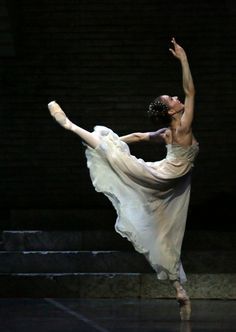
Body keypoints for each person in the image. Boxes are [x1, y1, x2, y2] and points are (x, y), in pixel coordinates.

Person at [48, 37, 199, 321]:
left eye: (175, 97)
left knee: (164, 230)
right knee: (113, 152)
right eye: (173, 100)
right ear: (171, 112)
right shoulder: (180, 128)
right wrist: (184, 59)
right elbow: (190, 90)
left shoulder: (170, 132)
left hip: (169, 177)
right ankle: (70, 125)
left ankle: (179, 289)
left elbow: (143, 135)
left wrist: (114, 142)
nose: (178, 99)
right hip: (165, 175)